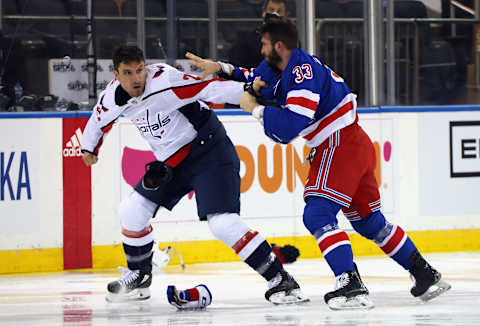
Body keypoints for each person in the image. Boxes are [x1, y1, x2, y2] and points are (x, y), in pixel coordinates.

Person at [186, 15, 451, 310]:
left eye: (263, 45)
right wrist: (220, 69)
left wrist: (255, 110)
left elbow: (288, 127)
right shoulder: (281, 65)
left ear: (279, 46)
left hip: (339, 144)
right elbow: (254, 78)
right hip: (352, 142)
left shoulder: (302, 72)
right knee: (368, 221)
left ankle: (350, 284)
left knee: (317, 214)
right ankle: (425, 273)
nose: (260, 51)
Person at [80, 44, 308, 305]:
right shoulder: (111, 97)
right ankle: (140, 274)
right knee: (131, 211)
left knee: (222, 223)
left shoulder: (164, 80)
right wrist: (89, 148)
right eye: (128, 73)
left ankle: (281, 280)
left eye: (140, 70)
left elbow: (208, 88)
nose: (136, 78)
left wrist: (248, 92)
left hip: (209, 150)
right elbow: (98, 122)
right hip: (172, 163)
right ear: (116, 75)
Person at [229, 0, 289, 69]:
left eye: (279, 11)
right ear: (264, 12)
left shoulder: (291, 41)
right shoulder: (246, 41)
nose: (275, 14)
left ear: (285, 15)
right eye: (271, 10)